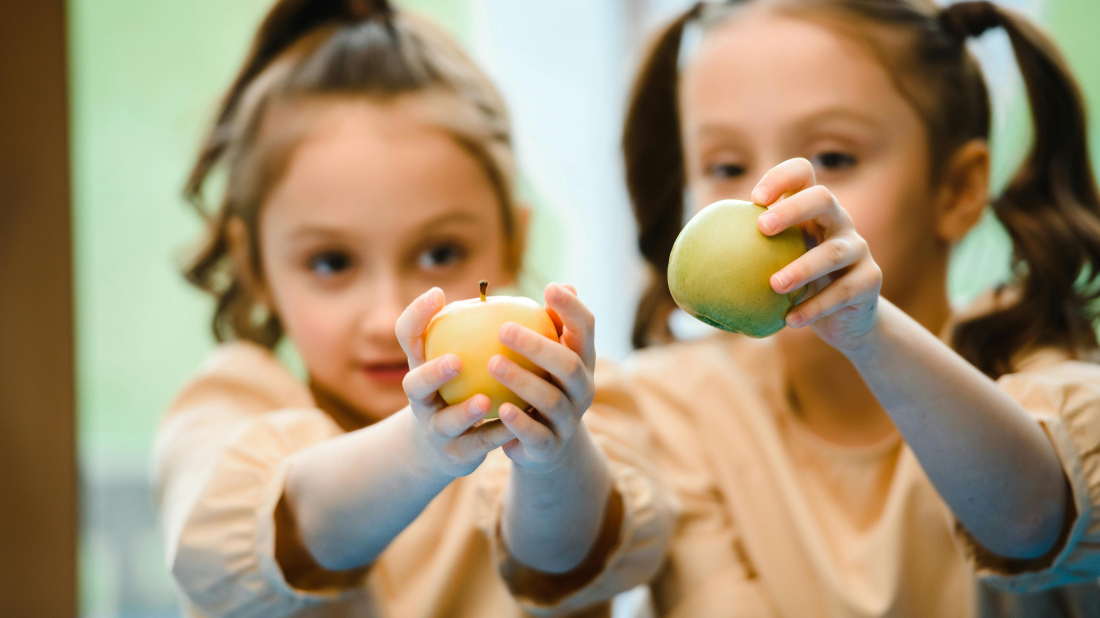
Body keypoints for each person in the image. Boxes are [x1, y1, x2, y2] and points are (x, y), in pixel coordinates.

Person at [154, 1, 672, 616]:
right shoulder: (232, 402)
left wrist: (554, 460)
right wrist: (423, 449)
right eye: (331, 263)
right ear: (256, 267)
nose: (388, 318)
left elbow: (569, 556)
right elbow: (248, 540)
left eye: (440, 253)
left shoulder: (568, 405)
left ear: (513, 241)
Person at [619, 0, 1100, 615]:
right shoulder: (679, 406)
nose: (771, 207)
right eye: (727, 166)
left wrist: (870, 335)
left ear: (956, 189)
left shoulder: (1031, 367)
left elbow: (1030, 521)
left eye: (835, 160)